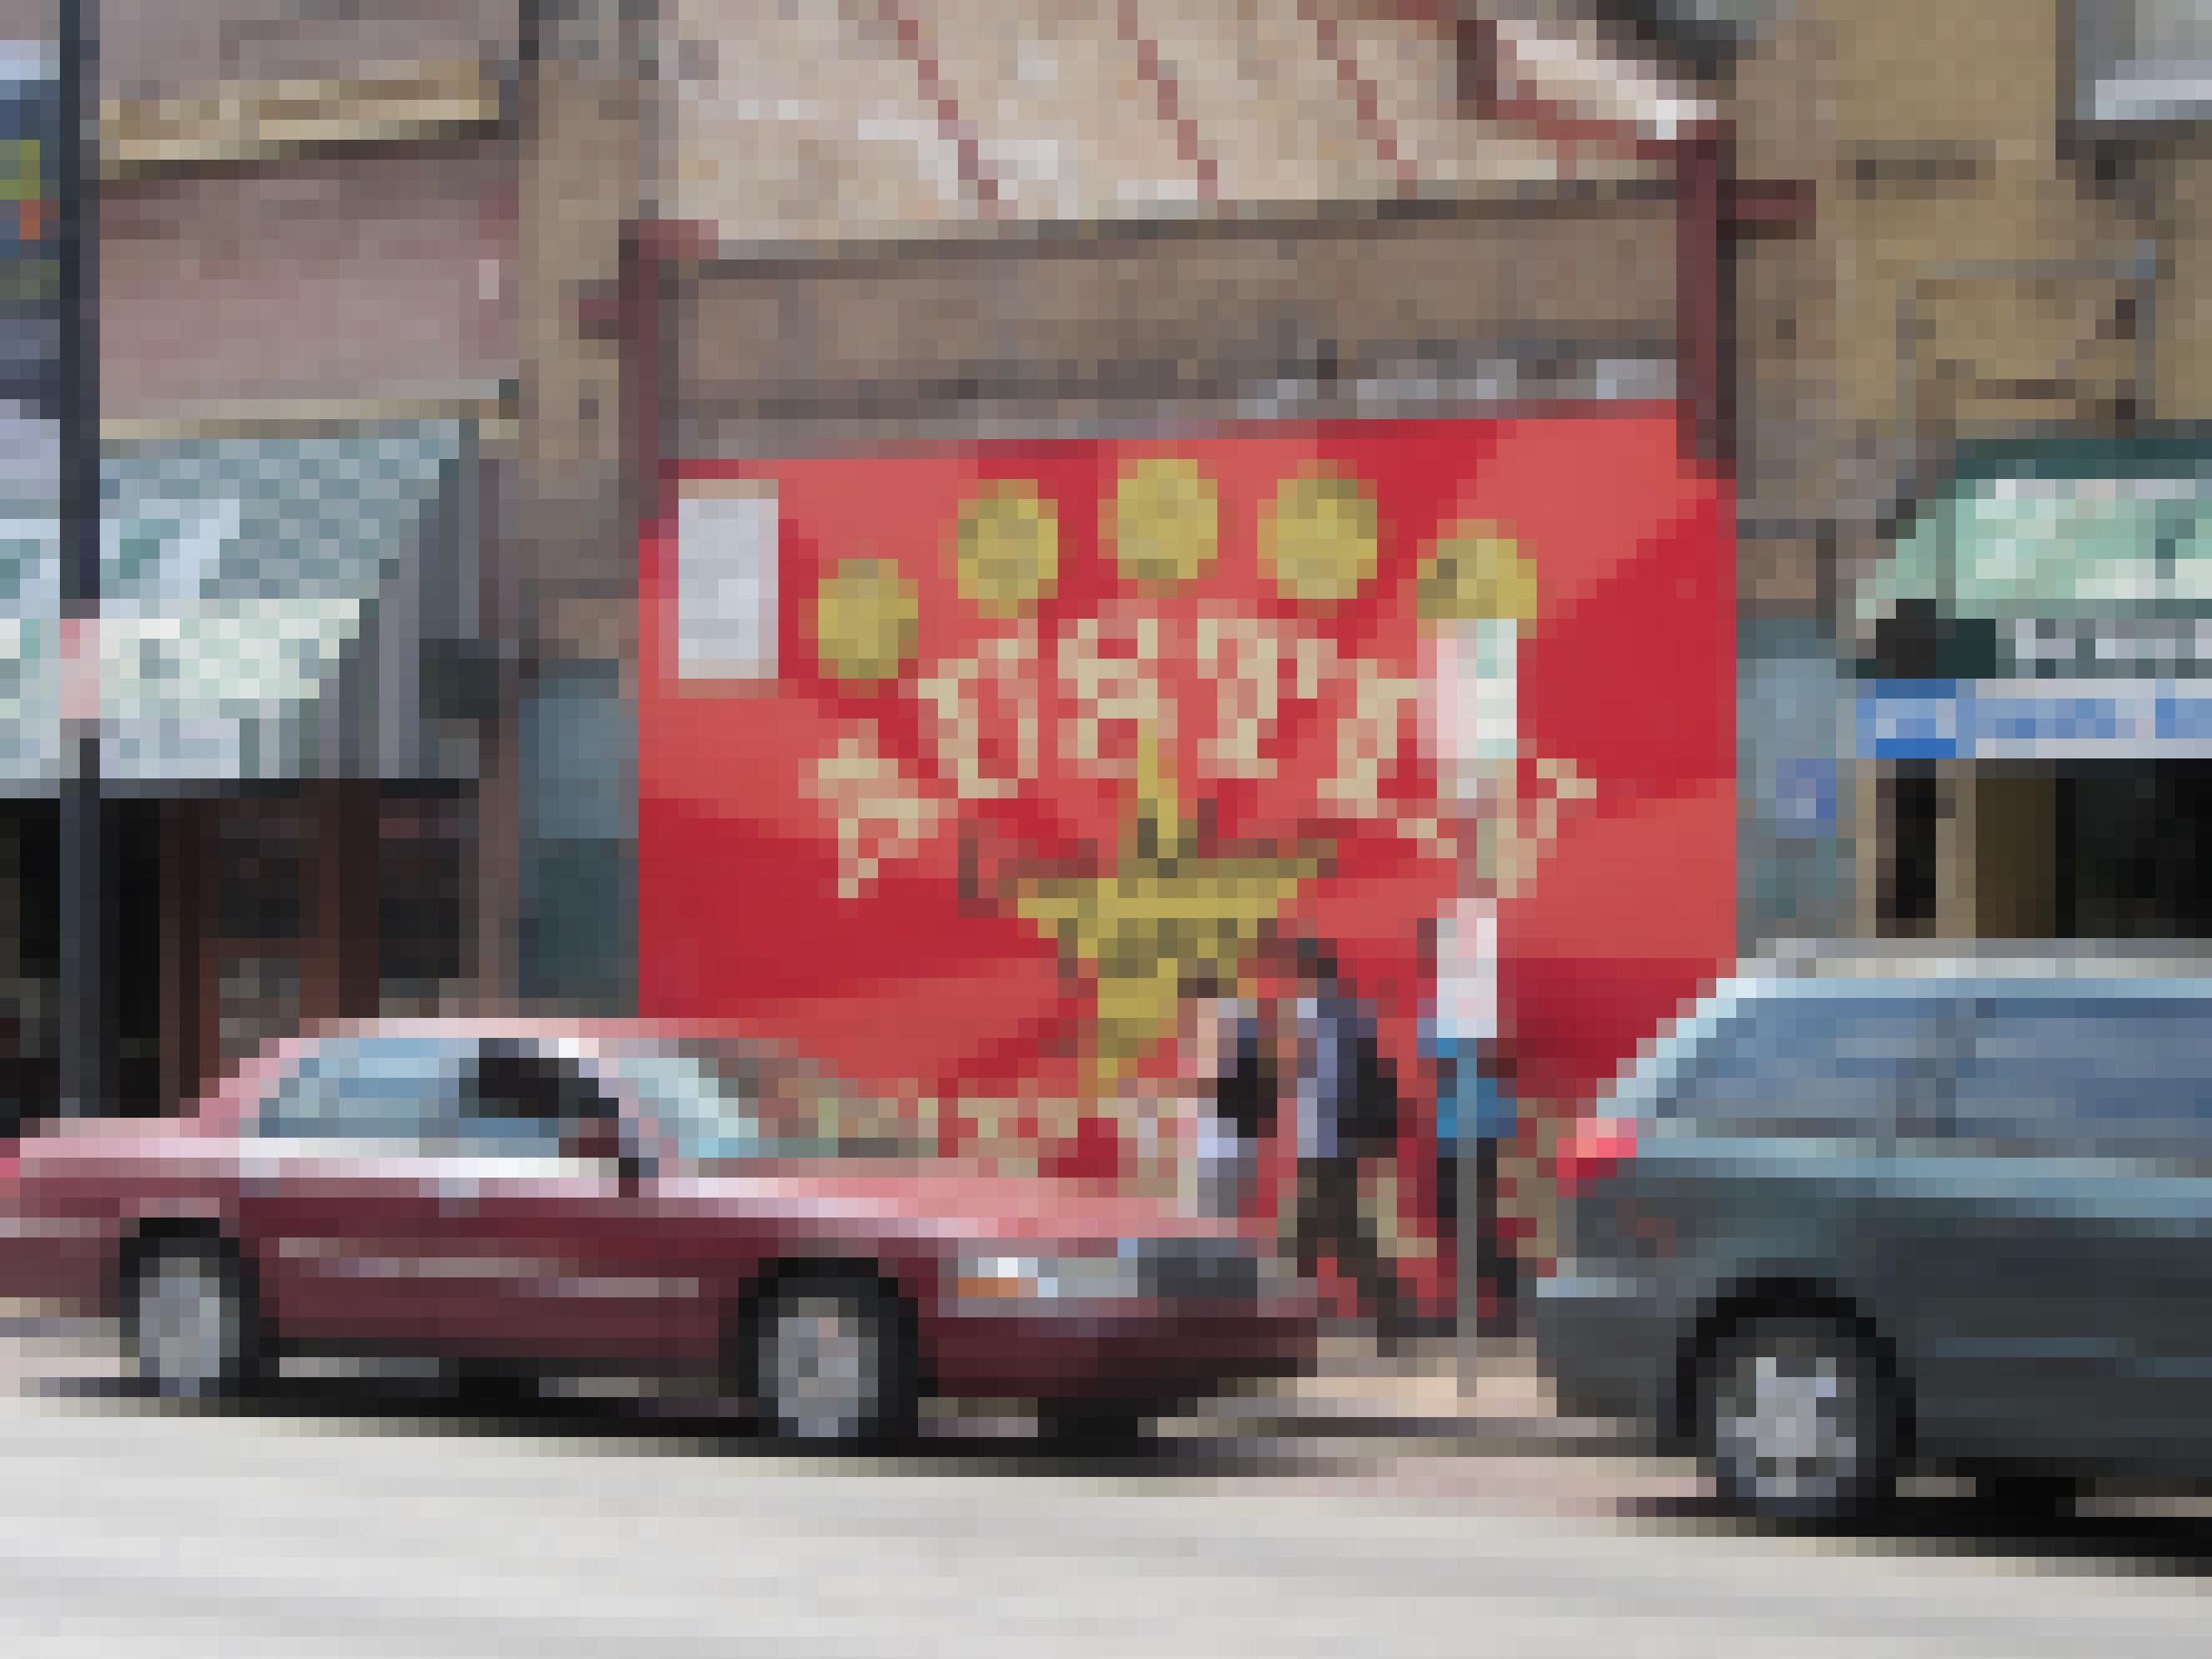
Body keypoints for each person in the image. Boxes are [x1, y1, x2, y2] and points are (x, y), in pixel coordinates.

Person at [1269, 936, 1413, 1352]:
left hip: (1325, 1142)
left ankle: (1385, 1312)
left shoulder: (1316, 1016)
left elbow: (1327, 1085)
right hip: (1332, 1141)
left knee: (1323, 1235)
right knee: (1325, 1233)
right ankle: (1385, 1312)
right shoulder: (1348, 1014)